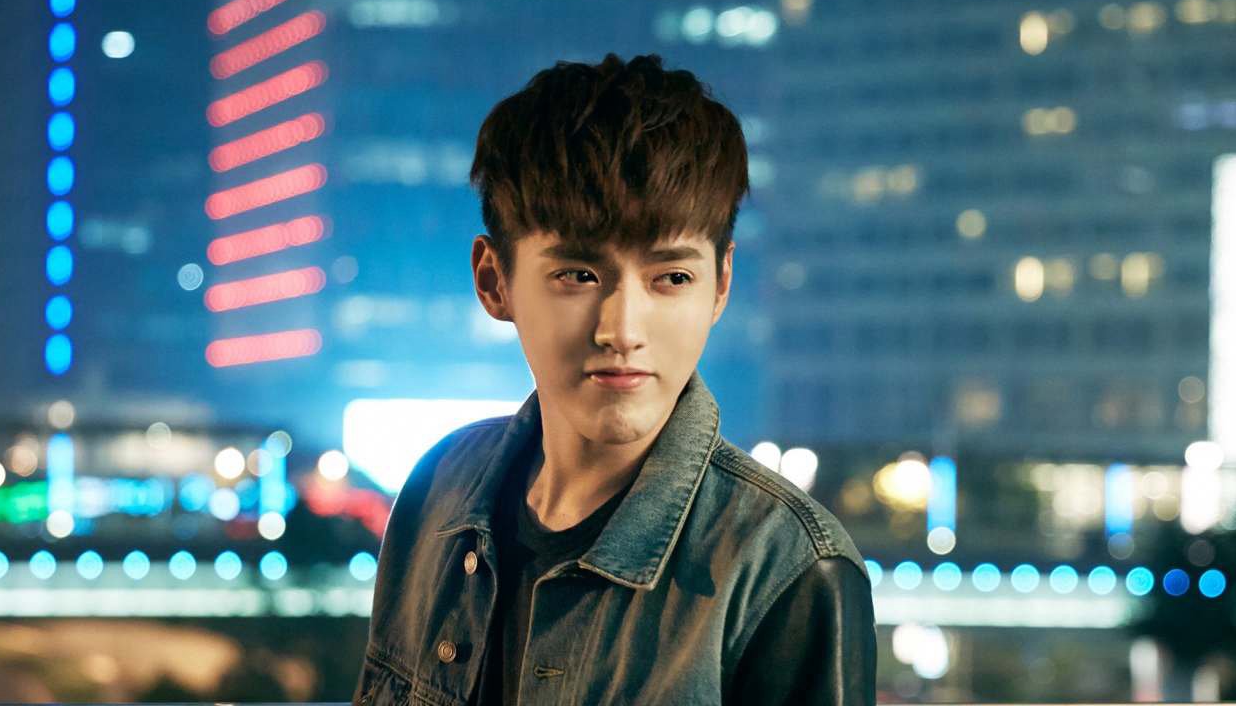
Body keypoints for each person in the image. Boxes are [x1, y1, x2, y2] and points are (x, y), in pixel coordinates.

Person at [352, 53, 876, 705]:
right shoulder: (439, 491)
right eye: (578, 275)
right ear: (494, 280)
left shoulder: (787, 570)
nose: (622, 330)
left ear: (721, 285)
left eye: (672, 278)